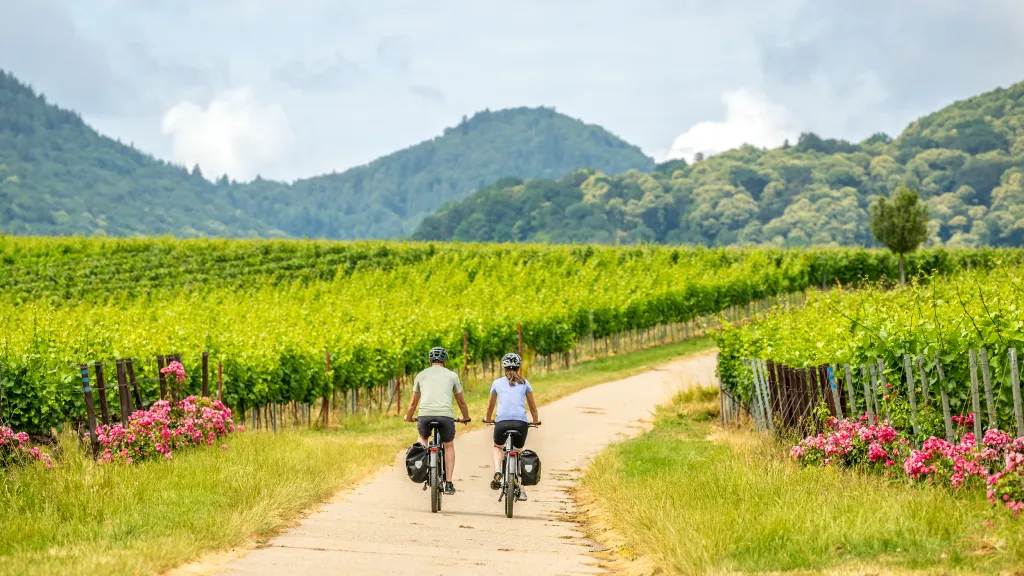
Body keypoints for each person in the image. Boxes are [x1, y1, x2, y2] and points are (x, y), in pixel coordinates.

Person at [404, 346, 471, 495]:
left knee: (423, 437)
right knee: (448, 445)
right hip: (445, 416)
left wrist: (409, 417)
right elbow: (461, 402)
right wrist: (465, 417)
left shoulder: (421, 375)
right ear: (445, 361)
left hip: (425, 416)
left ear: (429, 361)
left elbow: (413, 403)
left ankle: (421, 464)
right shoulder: (452, 375)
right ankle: (448, 483)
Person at [483, 352, 540, 499]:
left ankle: (497, 470)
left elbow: (490, 407)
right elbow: (533, 408)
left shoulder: (496, 383)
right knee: (519, 450)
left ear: (504, 368)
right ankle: (521, 489)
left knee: (497, 446)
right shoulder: (525, 383)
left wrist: (488, 419)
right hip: (521, 423)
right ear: (519, 367)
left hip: (502, 422)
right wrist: (535, 421)